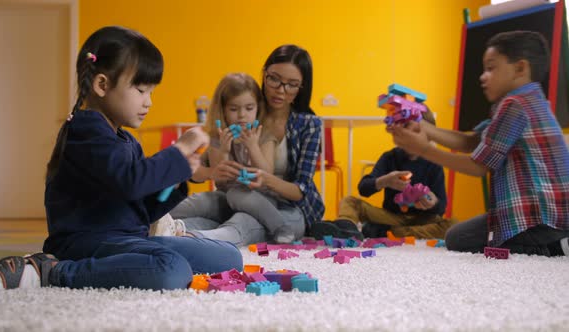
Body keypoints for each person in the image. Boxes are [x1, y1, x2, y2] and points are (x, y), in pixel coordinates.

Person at [0, 26, 242, 290]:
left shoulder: (126, 140)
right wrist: (178, 151)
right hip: (86, 242)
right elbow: (130, 182)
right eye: (141, 91)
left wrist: (179, 179)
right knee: (171, 269)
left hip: (125, 239)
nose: (149, 102)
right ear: (102, 85)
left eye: (151, 92)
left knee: (229, 257)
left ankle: (132, 261)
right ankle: (55, 271)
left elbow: (143, 209)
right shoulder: (86, 131)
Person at [391, 31, 569, 256]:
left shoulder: (515, 105)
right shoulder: (526, 101)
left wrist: (422, 149)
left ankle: (554, 247)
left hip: (538, 219)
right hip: (547, 216)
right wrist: (424, 128)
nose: (483, 77)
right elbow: (471, 141)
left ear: (520, 68)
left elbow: (478, 166)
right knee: (460, 235)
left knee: (458, 238)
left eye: (491, 68)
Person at [170, 44, 324, 246]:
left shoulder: (305, 125)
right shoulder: (243, 112)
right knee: (205, 205)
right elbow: (202, 170)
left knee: (242, 221)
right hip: (232, 197)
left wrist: (264, 178)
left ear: (302, 86)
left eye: (292, 84)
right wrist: (213, 169)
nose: (280, 90)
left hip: (284, 207)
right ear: (264, 75)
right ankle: (163, 230)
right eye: (274, 79)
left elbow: (299, 189)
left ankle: (196, 240)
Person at [155, 73, 299, 241]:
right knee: (200, 201)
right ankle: (154, 220)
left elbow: (267, 171)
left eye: (249, 108)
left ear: (258, 108)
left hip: (261, 200)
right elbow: (220, 180)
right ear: (222, 110)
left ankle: (281, 227)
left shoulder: (263, 135)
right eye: (233, 109)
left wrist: (252, 146)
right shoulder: (218, 137)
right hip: (225, 197)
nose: (242, 115)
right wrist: (223, 151)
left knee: (236, 195)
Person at [309, 110, 454, 240]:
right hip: (392, 217)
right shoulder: (390, 157)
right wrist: (384, 181)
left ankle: (388, 232)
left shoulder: (434, 163)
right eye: (405, 130)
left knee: (452, 225)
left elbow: (441, 208)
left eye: (416, 133)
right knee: (350, 201)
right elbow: (363, 188)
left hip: (423, 220)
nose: (410, 138)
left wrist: (433, 201)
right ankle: (347, 227)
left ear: (428, 136)